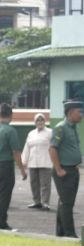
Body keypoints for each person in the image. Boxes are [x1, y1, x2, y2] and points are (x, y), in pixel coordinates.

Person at [0, 103, 27, 230]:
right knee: (4, 195)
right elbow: (16, 152)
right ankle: (2, 222)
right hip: (5, 165)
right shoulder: (10, 131)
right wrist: (22, 170)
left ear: (0, 114)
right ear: (11, 115)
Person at [49, 99, 82, 238]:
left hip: (72, 170)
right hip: (64, 171)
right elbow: (52, 148)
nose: (82, 114)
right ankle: (69, 234)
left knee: (65, 202)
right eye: (79, 112)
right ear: (70, 113)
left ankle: (61, 232)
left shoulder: (72, 127)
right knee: (67, 203)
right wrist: (58, 169)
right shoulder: (60, 127)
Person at [21, 113, 53, 210]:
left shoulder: (50, 132)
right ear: (35, 122)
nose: (40, 122)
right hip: (33, 162)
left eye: (42, 120)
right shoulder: (31, 133)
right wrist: (24, 162)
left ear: (45, 121)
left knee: (45, 184)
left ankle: (45, 203)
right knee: (34, 183)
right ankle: (37, 201)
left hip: (45, 161)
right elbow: (27, 148)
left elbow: (54, 147)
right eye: (38, 120)